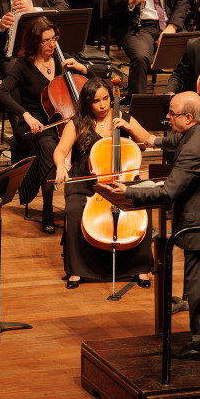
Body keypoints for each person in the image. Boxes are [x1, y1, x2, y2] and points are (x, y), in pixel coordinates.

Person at [105, 91, 200, 360]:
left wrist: (128, 193)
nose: (167, 117)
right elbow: (179, 139)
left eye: (172, 114)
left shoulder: (194, 151)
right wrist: (154, 140)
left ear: (188, 117)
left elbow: (167, 193)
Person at [52, 78, 155, 289]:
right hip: (87, 180)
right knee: (73, 209)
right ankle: (77, 270)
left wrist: (129, 127)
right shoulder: (77, 121)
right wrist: (61, 167)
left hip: (121, 178)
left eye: (106, 99)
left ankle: (140, 267)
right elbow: (60, 151)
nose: (102, 105)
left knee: (143, 204)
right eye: (96, 101)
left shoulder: (122, 116)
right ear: (87, 102)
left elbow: (147, 140)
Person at [0, 16, 90, 234]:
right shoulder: (23, 66)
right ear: (34, 43)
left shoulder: (63, 62)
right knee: (49, 147)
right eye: (45, 41)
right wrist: (26, 115)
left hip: (62, 122)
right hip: (35, 127)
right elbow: (2, 92)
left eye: (54, 39)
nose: (51, 45)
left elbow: (93, 86)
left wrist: (83, 69)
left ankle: (84, 204)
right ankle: (47, 208)